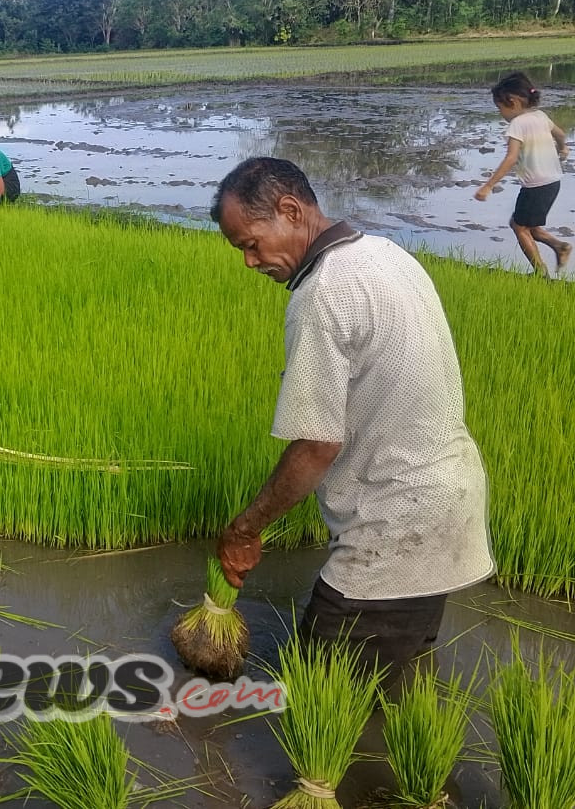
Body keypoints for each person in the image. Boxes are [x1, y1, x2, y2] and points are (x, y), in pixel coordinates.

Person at [211, 157, 494, 673]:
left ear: (290, 210)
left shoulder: (322, 293)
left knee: (322, 693)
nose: (250, 263)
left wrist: (245, 529)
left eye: (250, 244)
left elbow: (316, 445)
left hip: (394, 529)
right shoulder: (387, 254)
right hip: (450, 505)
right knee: (396, 694)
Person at [474, 71, 571, 277]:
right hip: (553, 182)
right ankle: (559, 247)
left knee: (519, 227)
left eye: (500, 108)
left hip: (535, 186)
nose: (501, 113)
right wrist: (563, 149)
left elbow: (510, 158)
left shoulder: (517, 124)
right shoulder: (540, 116)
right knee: (529, 226)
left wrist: (488, 186)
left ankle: (540, 273)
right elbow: (561, 134)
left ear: (513, 102)